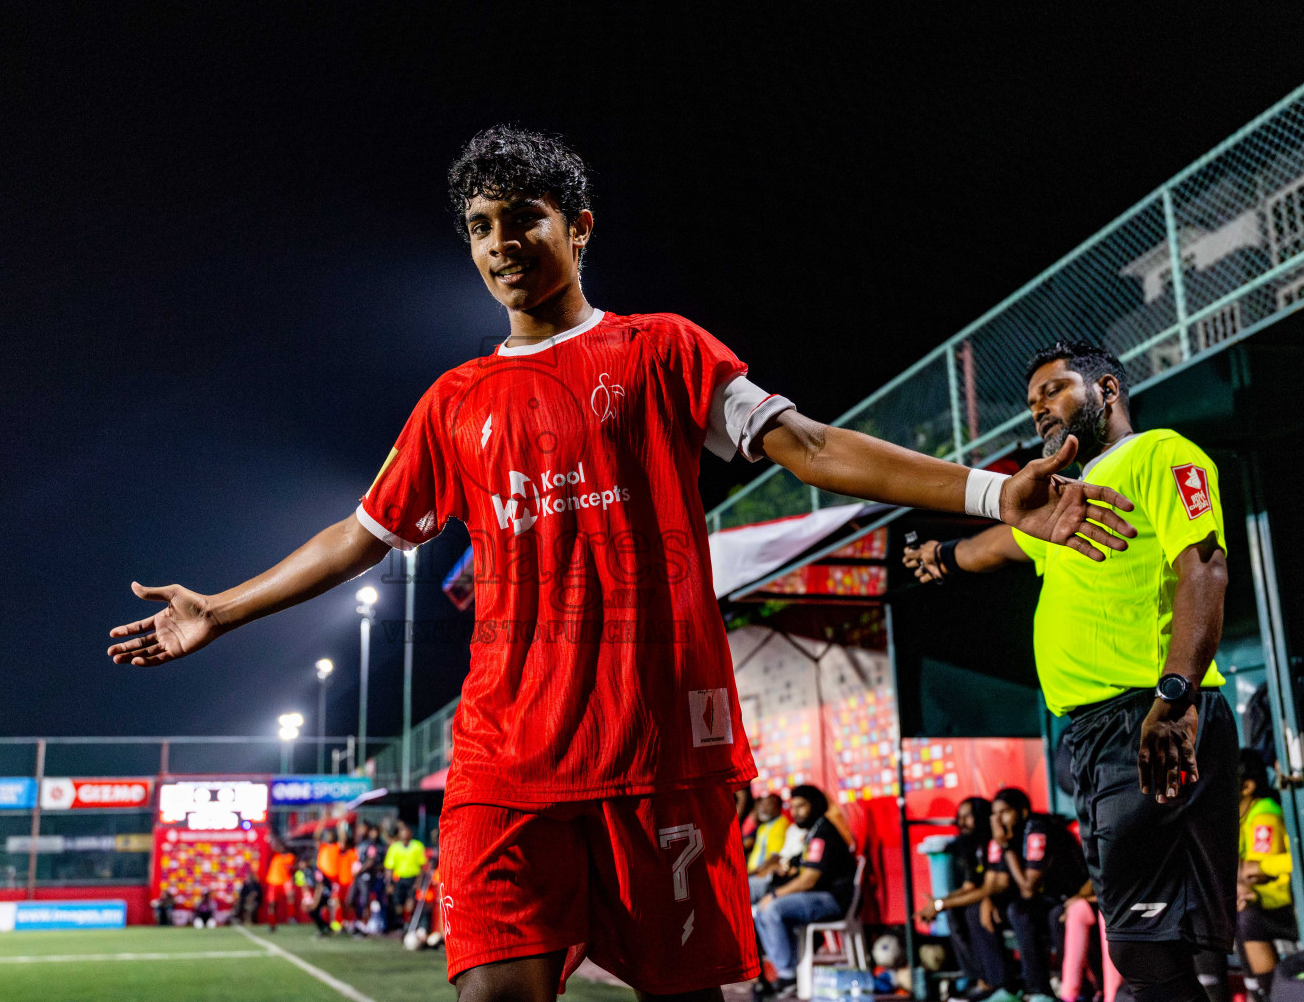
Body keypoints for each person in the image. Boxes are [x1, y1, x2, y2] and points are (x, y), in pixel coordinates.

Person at [108, 128, 1137, 1002]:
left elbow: (809, 447)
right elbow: (363, 532)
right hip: (504, 759)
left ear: (577, 226)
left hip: (658, 757)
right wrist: (222, 609)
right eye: (479, 227)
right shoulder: (454, 400)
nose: (501, 244)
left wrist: (991, 491)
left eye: (523, 217)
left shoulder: (663, 351)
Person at [906, 340, 1236, 1002]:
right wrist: (939, 553)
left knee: (1146, 955)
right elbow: (997, 545)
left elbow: (1203, 567)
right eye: (1031, 403)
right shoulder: (1065, 503)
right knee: (1152, 953)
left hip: (1146, 716)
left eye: (1052, 392)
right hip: (1096, 735)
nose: (1039, 411)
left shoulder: (1158, 454)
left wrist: (1173, 695)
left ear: (1106, 391)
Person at [982, 788, 1090, 1002]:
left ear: (1022, 812)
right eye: (994, 814)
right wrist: (989, 899)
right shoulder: (1011, 833)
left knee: (1047, 915)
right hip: (1050, 899)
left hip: (1075, 896)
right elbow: (999, 882)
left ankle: (1079, 991)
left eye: (1004, 812)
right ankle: (1025, 988)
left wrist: (1005, 845)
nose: (998, 820)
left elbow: (1029, 888)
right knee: (1006, 910)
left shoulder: (1037, 828)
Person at [752, 785, 858, 999]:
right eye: (792, 807)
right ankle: (788, 969)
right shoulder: (813, 831)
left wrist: (774, 895)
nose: (795, 812)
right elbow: (801, 867)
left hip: (834, 900)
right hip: (817, 896)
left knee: (771, 908)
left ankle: (788, 976)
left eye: (801, 806)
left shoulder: (824, 832)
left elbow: (809, 879)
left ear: (816, 805)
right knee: (757, 910)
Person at [915, 798, 998, 997]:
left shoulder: (994, 841)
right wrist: (939, 903)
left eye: (968, 816)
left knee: (972, 911)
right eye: (959, 817)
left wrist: (941, 904)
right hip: (984, 896)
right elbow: (970, 886)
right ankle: (978, 977)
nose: (962, 823)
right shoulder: (967, 845)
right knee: (956, 911)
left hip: (1002, 898)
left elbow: (988, 888)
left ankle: (994, 981)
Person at [1237, 748, 1295, 1001]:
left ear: (1247, 786)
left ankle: (1269, 993)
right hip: (1273, 903)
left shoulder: (1264, 813)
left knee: (1246, 915)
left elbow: (1254, 873)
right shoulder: (1239, 815)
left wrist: (1248, 891)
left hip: (1289, 906)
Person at [747, 794, 793, 905]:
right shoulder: (763, 826)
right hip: (753, 873)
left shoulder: (780, 824)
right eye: (762, 804)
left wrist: (748, 873)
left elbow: (775, 857)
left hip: (763, 875)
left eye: (768, 804)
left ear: (778, 806)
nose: (763, 808)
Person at [385, 822, 429, 928]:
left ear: (411, 833)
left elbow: (422, 866)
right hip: (399, 879)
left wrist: (418, 882)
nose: (404, 833)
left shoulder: (417, 846)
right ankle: (403, 921)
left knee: (410, 903)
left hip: (412, 879)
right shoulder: (394, 847)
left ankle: (408, 924)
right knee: (398, 906)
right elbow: (389, 867)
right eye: (402, 831)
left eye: (406, 830)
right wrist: (389, 883)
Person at [265, 838, 297, 931]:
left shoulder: (290, 857)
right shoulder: (275, 856)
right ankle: (272, 923)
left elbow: (293, 869)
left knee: (291, 896)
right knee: (272, 904)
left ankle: (291, 917)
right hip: (274, 881)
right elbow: (272, 847)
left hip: (285, 880)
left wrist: (291, 868)